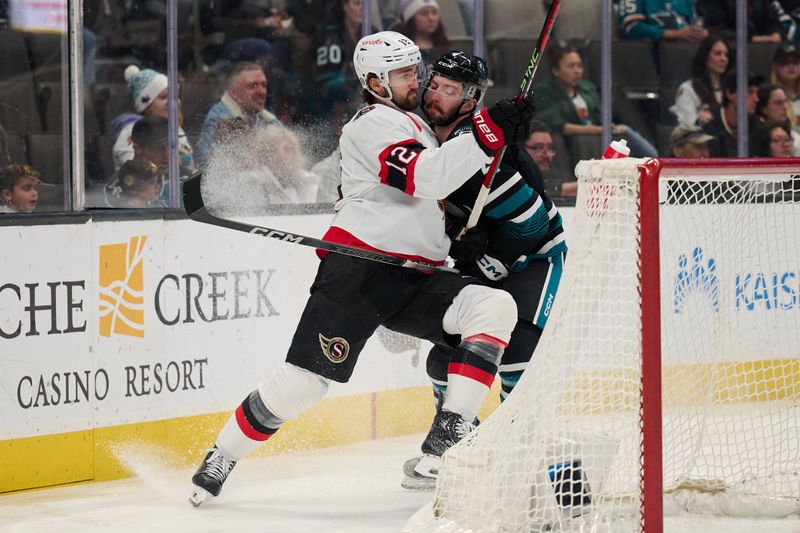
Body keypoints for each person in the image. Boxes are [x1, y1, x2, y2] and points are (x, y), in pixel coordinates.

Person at [188, 31, 536, 506]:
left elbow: (443, 181)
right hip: (359, 273)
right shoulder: (371, 124)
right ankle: (222, 455)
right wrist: (488, 131)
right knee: (304, 384)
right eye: (403, 74)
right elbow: (426, 177)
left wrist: (492, 141)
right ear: (374, 80)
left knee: (494, 306)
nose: (415, 81)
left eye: (416, 71)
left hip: (417, 275)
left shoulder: (413, 122)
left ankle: (446, 442)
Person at [401, 51, 567, 489]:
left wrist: (485, 251)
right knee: (442, 359)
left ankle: (526, 453)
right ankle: (458, 444)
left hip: (534, 258)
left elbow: (531, 225)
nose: (435, 95)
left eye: (449, 90)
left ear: (471, 99)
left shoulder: (489, 156)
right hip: (481, 260)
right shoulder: (422, 140)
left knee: (518, 354)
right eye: (433, 84)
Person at [535, 44, 658, 159]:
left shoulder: (588, 88)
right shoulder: (544, 91)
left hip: (598, 139)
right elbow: (560, 126)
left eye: (579, 66)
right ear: (555, 70)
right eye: (571, 66)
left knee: (641, 146)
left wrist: (607, 128)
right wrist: (598, 130)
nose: (577, 71)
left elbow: (601, 117)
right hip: (575, 145)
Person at [112, 65, 194, 176]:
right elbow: (135, 167)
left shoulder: (177, 129)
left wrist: (182, 160)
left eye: (176, 95)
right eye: (164, 97)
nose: (173, 101)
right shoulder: (132, 130)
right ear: (146, 105)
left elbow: (189, 162)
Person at [195, 62, 283, 166]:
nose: (261, 91)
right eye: (253, 86)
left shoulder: (269, 121)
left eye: (263, 85)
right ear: (233, 93)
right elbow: (204, 163)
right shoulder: (218, 118)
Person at [104, 115, 169, 207]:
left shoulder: (181, 177)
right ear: (137, 149)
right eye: (158, 148)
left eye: (170, 145)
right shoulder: (119, 186)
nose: (167, 153)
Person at [671, 36, 731, 126]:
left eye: (726, 55)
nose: (724, 59)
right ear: (705, 57)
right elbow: (688, 128)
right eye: (718, 54)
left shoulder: (731, 90)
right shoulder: (688, 89)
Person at [701, 70, 763, 157]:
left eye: (757, 93)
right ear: (730, 94)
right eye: (749, 92)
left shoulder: (757, 124)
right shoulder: (709, 123)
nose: (756, 99)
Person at [523, 120, 576, 197]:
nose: (547, 155)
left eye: (550, 148)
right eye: (539, 147)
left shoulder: (553, 173)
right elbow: (546, 189)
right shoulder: (515, 181)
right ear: (522, 149)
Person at [390, 0, 450, 66]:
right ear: (411, 18)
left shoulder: (445, 49)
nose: (431, 18)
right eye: (424, 13)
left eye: (434, 13)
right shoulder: (398, 51)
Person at [697, 0, 789, 42]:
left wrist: (775, 33)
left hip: (762, 48)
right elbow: (714, 29)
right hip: (729, 49)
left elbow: (772, 20)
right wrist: (751, 39)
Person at [617, 0, 708, 42]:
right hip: (646, 58)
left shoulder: (687, 2)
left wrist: (700, 33)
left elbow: (693, 25)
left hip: (680, 56)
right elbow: (631, 28)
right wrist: (674, 34)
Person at [755, 83, 800, 154]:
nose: (785, 107)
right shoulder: (753, 135)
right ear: (763, 108)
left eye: (785, 102)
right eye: (778, 103)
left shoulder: (796, 139)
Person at [771, 42, 800, 130]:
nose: (791, 66)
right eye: (785, 62)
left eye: (795, 62)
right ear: (775, 67)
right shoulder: (770, 97)